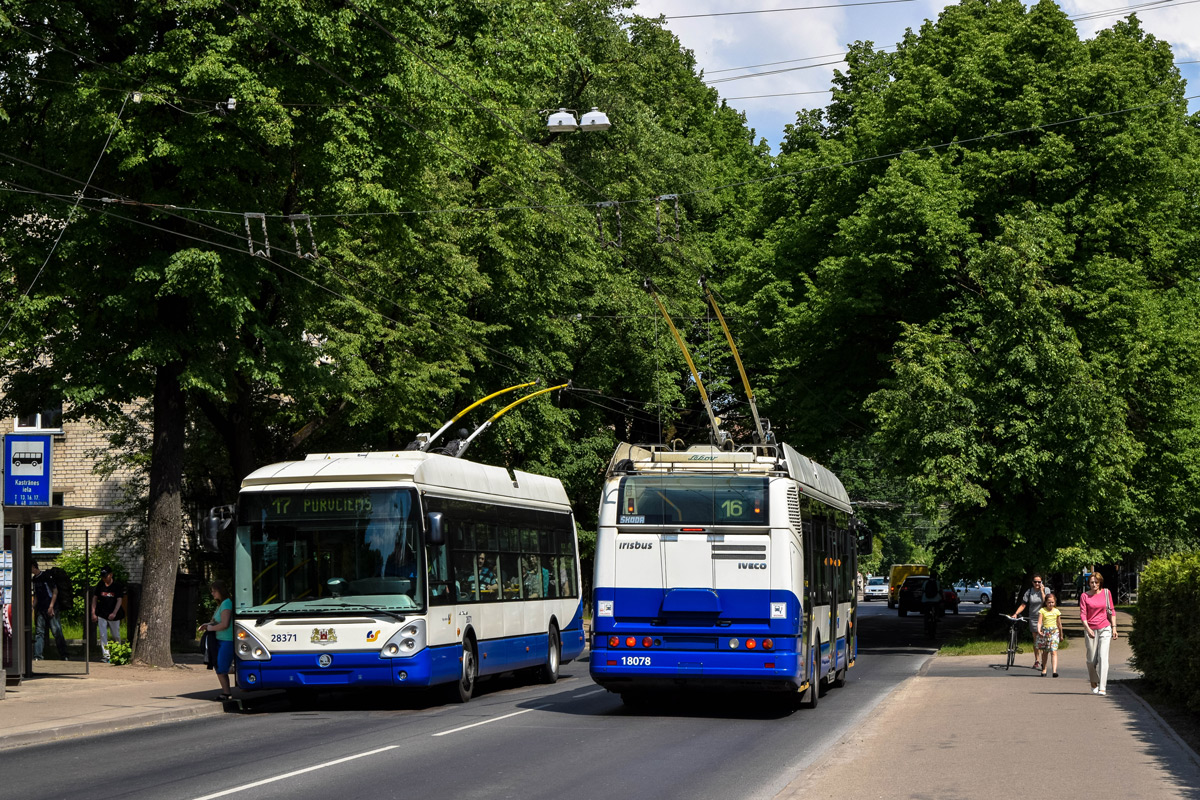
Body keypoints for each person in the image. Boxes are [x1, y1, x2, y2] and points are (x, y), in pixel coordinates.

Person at [1080, 572, 1118, 695]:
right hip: (1090, 629)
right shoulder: (1084, 596)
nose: (1094, 584)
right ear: (1089, 583)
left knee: (1103, 657)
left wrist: (1114, 628)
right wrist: (1087, 628)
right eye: (1092, 582)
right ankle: (1093, 681)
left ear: (1100, 582)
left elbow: (1112, 610)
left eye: (1096, 582)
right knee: (1091, 660)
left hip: (1105, 628)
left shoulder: (1106, 593)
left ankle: (1102, 687)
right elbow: (1083, 614)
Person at [198, 580, 234, 700]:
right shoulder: (220, 604)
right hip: (219, 639)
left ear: (221, 591)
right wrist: (207, 625)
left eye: (214, 591)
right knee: (218, 666)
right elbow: (216, 622)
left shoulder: (226, 603)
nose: (212, 593)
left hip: (227, 640)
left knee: (222, 667)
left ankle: (241, 670)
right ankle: (226, 692)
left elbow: (224, 624)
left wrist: (210, 628)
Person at [30, 561, 69, 661]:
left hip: (51, 607)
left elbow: (55, 591)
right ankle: (38, 655)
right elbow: (36, 595)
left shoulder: (46, 576)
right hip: (41, 608)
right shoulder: (34, 579)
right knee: (39, 632)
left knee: (56, 631)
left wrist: (51, 606)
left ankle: (64, 655)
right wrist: (33, 607)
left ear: (33, 567)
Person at [1012, 573, 1049, 670]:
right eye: (1035, 582)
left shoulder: (1046, 590)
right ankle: (1037, 660)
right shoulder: (1029, 592)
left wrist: (1042, 591)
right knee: (1036, 640)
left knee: (1043, 640)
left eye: (1039, 582)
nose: (1037, 584)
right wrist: (1016, 613)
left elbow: (1046, 602)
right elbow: (1023, 605)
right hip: (1033, 617)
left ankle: (1044, 661)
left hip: (1044, 618)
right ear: (1032, 582)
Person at [91, 566, 125, 663]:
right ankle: (106, 655)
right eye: (103, 577)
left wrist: (114, 613)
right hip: (102, 614)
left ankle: (118, 653)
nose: (104, 579)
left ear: (111, 575)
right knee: (103, 635)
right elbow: (95, 598)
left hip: (114, 615)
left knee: (116, 635)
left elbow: (119, 600)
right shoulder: (100, 584)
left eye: (106, 576)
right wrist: (93, 613)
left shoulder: (117, 586)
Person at [1036, 592, 1065, 677]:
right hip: (1045, 632)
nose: (1050, 604)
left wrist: (1061, 635)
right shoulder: (1042, 611)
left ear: (1055, 602)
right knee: (1045, 652)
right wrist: (1039, 630)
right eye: (1049, 602)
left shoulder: (1056, 611)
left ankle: (1054, 671)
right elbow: (1039, 622)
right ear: (1046, 602)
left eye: (1052, 602)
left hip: (1054, 632)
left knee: (1053, 651)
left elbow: (1059, 624)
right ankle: (1044, 669)